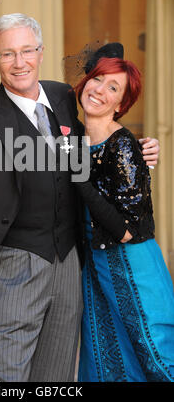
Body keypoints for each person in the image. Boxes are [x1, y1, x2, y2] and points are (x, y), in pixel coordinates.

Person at [0, 11, 159, 382]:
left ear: (40, 52)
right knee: (8, 377)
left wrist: (142, 148)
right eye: (7, 54)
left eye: (27, 51)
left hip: (69, 260)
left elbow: (102, 136)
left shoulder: (65, 97)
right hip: (13, 263)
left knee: (54, 375)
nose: (19, 63)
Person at [72, 50, 174, 382]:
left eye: (113, 87)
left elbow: (127, 230)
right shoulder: (75, 139)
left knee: (155, 354)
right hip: (96, 263)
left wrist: (77, 175)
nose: (100, 90)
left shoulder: (124, 146)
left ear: (121, 104)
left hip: (131, 263)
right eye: (97, 79)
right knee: (107, 359)